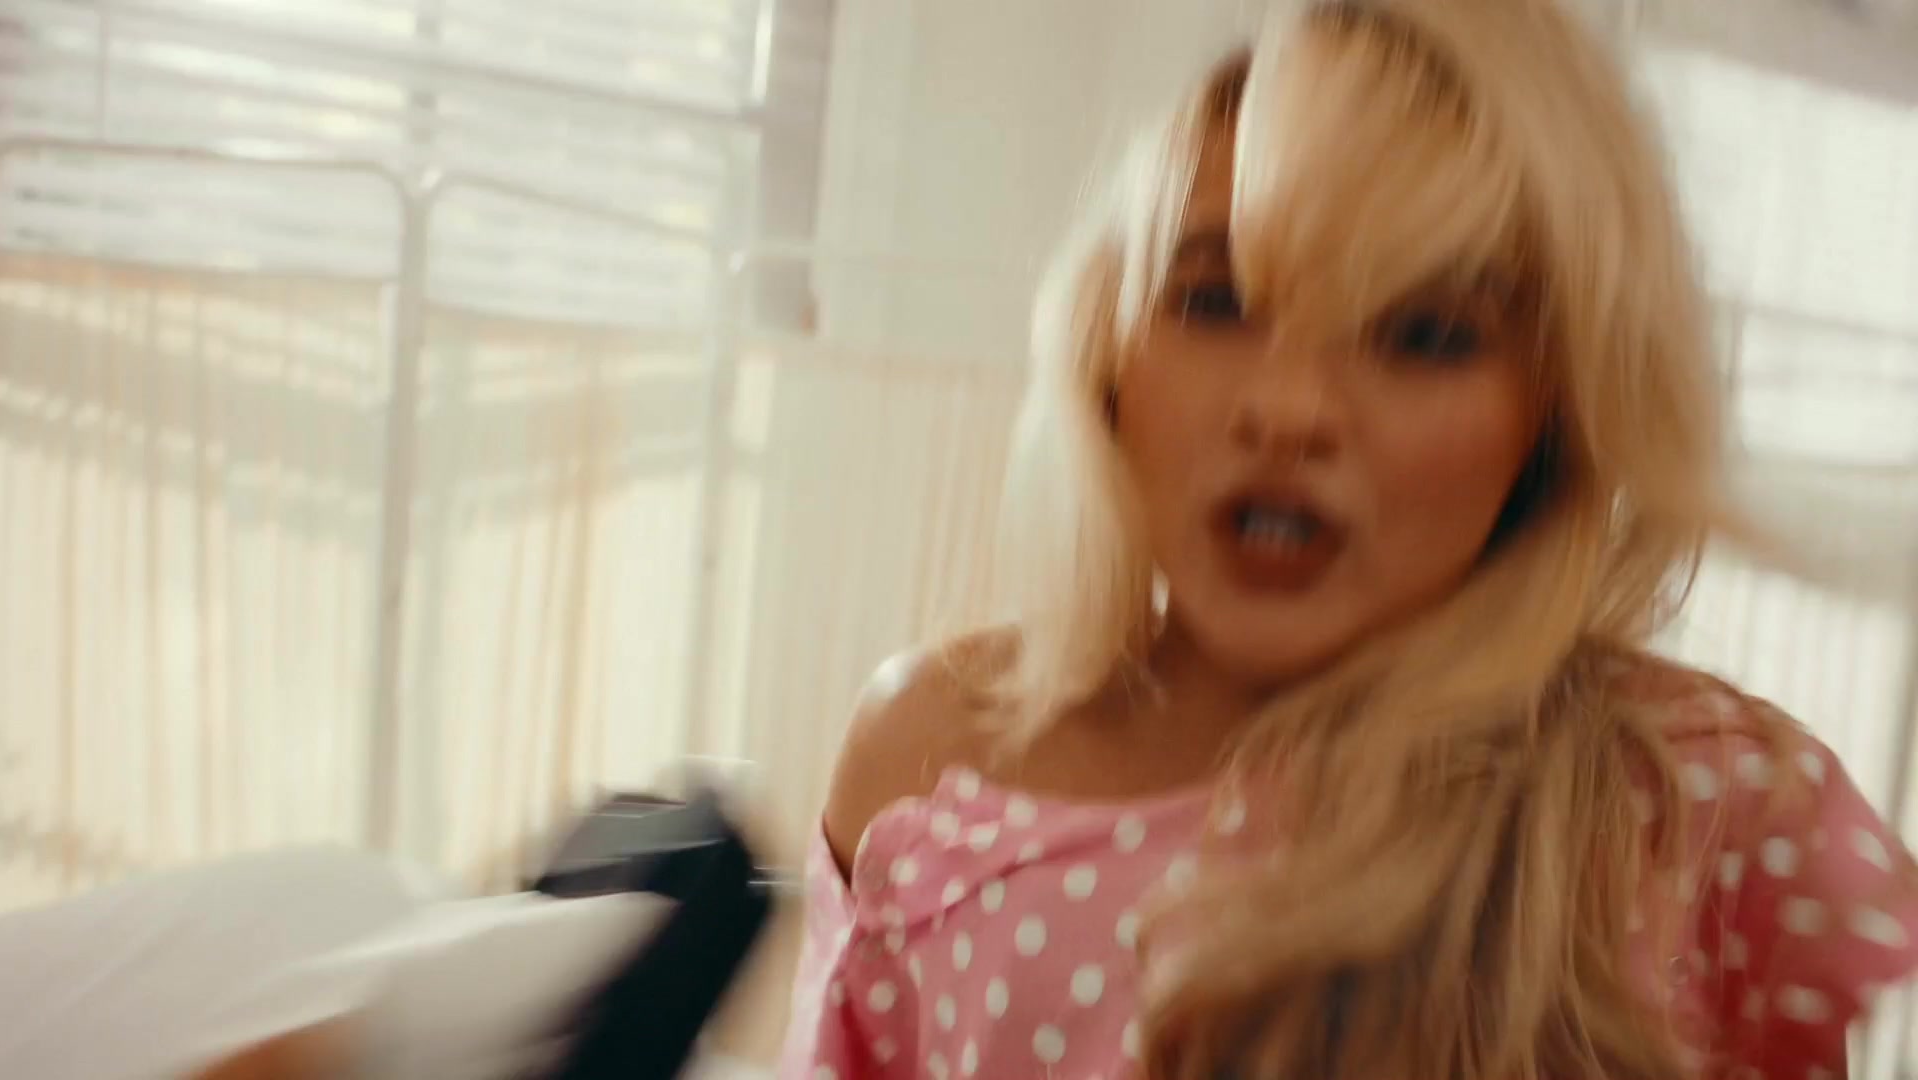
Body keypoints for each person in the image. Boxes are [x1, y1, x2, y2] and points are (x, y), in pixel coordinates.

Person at [777, 1, 1918, 1078]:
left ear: (1555, 417)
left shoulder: (1702, 801)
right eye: (1216, 303)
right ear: (1107, 349)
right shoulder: (930, 759)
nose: (1290, 410)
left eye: (1423, 334)